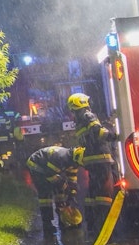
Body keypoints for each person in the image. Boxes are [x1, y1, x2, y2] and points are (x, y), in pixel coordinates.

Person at [68, 93, 120, 233]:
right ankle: (104, 224)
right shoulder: (88, 116)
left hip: (91, 161)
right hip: (101, 158)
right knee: (104, 191)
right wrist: (115, 136)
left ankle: (92, 223)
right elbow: (99, 133)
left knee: (93, 192)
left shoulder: (78, 122)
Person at [26, 145, 84, 234]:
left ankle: (62, 218)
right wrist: (65, 187)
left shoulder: (72, 160)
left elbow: (72, 178)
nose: (77, 166)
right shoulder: (61, 158)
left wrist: (71, 193)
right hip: (36, 164)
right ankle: (47, 223)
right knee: (45, 194)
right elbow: (51, 177)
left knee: (60, 189)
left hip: (48, 166)